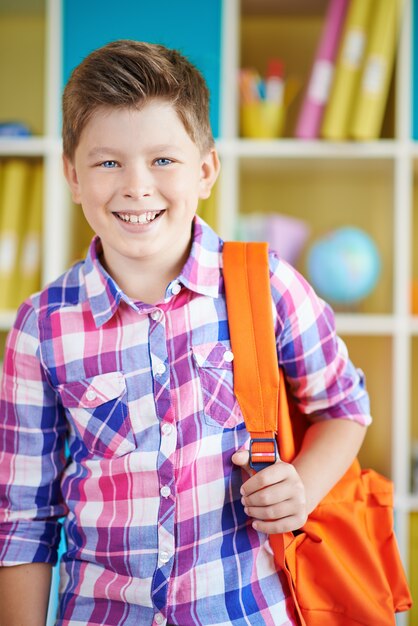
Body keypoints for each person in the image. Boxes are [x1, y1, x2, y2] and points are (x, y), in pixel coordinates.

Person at [0, 40, 370, 626]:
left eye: (163, 160)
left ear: (205, 170)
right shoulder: (40, 327)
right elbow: (23, 519)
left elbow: (345, 405)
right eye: (107, 162)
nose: (137, 186)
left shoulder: (265, 284)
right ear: (72, 175)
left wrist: (302, 483)